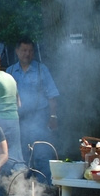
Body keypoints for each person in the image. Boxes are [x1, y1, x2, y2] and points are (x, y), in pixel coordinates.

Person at [5, 38, 60, 176]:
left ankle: (46, 188)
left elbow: (52, 95)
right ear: (17, 52)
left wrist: (53, 117)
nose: (27, 54)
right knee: (19, 155)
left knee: (41, 153)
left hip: (39, 118)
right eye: (24, 50)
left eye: (30, 51)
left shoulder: (42, 70)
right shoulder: (10, 71)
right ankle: (22, 189)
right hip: (17, 120)